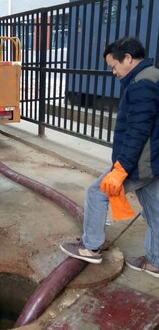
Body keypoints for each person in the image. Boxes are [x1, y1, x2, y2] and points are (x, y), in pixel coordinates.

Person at [60, 36, 159, 278]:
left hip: (142, 163)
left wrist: (121, 169)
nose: (113, 72)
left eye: (114, 66)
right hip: (154, 162)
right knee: (156, 210)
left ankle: (90, 247)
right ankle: (156, 262)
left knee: (97, 192)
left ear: (128, 58)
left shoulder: (142, 84)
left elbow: (138, 131)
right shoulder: (153, 76)